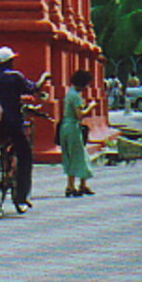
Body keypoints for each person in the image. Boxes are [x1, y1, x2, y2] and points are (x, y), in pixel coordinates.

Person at [0, 45, 50, 213]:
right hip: (13, 123)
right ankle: (22, 196)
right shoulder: (15, 77)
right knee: (25, 155)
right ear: (10, 61)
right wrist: (44, 78)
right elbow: (33, 88)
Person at [60, 68, 95, 198]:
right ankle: (73, 185)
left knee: (71, 155)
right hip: (73, 127)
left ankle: (77, 184)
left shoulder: (69, 93)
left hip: (65, 127)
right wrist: (90, 106)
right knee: (78, 155)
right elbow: (80, 115)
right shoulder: (76, 96)